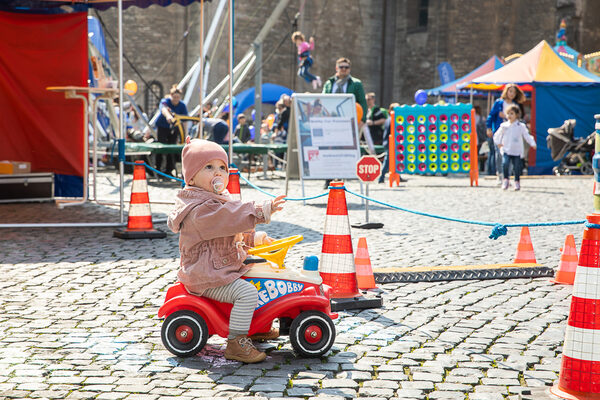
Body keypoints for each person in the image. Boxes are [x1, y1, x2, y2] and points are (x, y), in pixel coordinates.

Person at [167, 139, 285, 363]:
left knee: (260, 277)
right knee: (247, 293)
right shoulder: (199, 210)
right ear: (191, 177)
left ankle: (254, 325)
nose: (218, 173)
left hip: (219, 267)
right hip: (208, 275)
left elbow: (229, 232)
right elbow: (229, 218)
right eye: (209, 167)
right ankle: (236, 342)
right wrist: (261, 209)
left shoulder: (215, 199)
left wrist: (255, 238)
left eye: (222, 167)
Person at [322, 57, 368, 188]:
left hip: (348, 123)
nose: (344, 70)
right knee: (328, 150)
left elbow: (362, 103)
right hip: (330, 122)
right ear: (337, 68)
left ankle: (340, 178)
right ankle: (328, 178)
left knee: (342, 150)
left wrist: (362, 120)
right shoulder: (329, 83)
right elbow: (323, 100)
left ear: (349, 69)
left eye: (346, 67)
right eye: (341, 67)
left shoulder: (356, 84)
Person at [486, 84, 526, 181]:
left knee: (511, 154)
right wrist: (489, 128)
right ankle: (500, 174)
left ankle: (507, 176)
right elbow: (491, 116)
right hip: (500, 132)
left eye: (514, 92)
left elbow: (518, 118)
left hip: (511, 134)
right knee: (499, 154)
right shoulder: (499, 103)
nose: (512, 94)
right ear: (506, 92)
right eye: (510, 91)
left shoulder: (515, 105)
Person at [493, 105, 536, 191]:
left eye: (511, 113)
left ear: (516, 115)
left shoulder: (521, 126)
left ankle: (517, 181)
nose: (509, 115)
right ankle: (506, 180)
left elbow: (526, 136)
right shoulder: (504, 126)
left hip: (517, 150)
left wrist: (532, 143)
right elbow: (497, 135)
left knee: (517, 167)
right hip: (506, 149)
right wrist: (498, 143)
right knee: (505, 164)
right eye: (508, 113)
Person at [155, 85, 188, 178]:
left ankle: (169, 170)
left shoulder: (182, 105)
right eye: (174, 97)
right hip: (163, 126)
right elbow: (163, 109)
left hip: (175, 127)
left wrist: (185, 135)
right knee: (161, 147)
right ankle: (158, 169)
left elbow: (185, 120)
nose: (176, 99)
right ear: (171, 95)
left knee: (172, 147)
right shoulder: (165, 101)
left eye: (178, 97)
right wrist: (168, 116)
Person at [379, 102, 407, 184]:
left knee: (396, 160)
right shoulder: (392, 119)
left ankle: (398, 176)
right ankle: (381, 177)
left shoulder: (391, 119)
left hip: (392, 142)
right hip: (390, 142)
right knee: (388, 161)